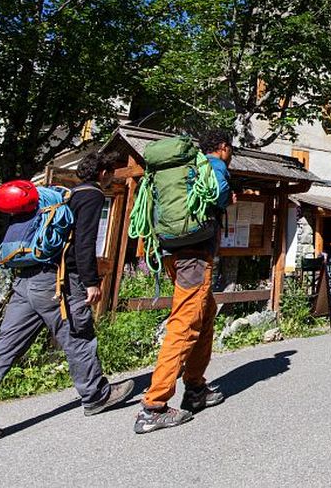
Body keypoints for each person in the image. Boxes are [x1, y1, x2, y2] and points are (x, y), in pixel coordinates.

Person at [0, 152, 134, 452]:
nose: (112, 178)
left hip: (24, 279)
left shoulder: (61, 195)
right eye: (111, 173)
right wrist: (92, 283)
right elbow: (83, 243)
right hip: (53, 282)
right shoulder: (92, 195)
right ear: (104, 172)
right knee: (78, 335)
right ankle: (96, 395)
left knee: (3, 349)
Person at [135, 130, 234, 434]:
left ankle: (195, 388)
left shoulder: (172, 170)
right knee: (185, 323)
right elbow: (218, 195)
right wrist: (228, 197)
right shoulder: (213, 165)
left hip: (171, 252)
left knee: (205, 315)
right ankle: (155, 405)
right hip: (195, 255)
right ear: (224, 147)